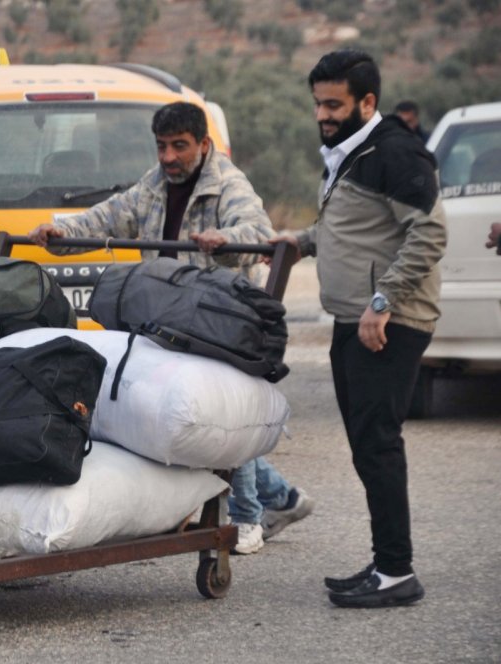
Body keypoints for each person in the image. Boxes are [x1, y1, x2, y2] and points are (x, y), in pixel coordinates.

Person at [28, 101, 313, 556]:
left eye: (179, 147)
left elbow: (254, 231)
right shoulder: (154, 185)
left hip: (220, 323)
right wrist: (62, 236)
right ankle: (285, 499)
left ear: (204, 145)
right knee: (198, 420)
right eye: (161, 147)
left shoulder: (228, 185)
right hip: (168, 319)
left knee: (223, 419)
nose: (168, 158)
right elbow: (110, 215)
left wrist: (226, 241)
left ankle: (247, 518)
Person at [272, 50, 447, 608]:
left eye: (334, 104)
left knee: (377, 445)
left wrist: (382, 302)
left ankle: (397, 571)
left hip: (387, 323)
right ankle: (386, 561)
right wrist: (297, 242)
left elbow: (429, 235)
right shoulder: (349, 153)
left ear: (366, 102)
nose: (322, 114)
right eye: (318, 103)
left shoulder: (395, 152)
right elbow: (347, 227)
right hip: (357, 320)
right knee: (367, 446)